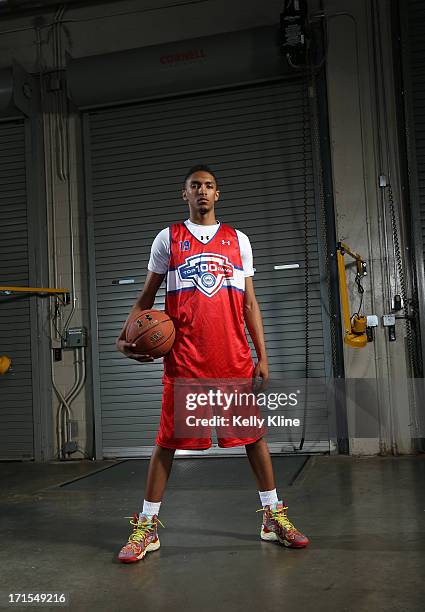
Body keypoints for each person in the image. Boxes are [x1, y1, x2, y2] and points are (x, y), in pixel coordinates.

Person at [115, 165, 309, 563]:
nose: (202, 191)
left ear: (218, 194)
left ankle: (273, 517)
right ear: (183, 194)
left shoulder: (238, 240)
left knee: (253, 439)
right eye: (194, 186)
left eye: (208, 186)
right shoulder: (169, 239)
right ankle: (147, 526)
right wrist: (123, 338)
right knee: (167, 443)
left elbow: (249, 303)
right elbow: (146, 298)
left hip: (233, 358)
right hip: (185, 360)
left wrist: (262, 354)